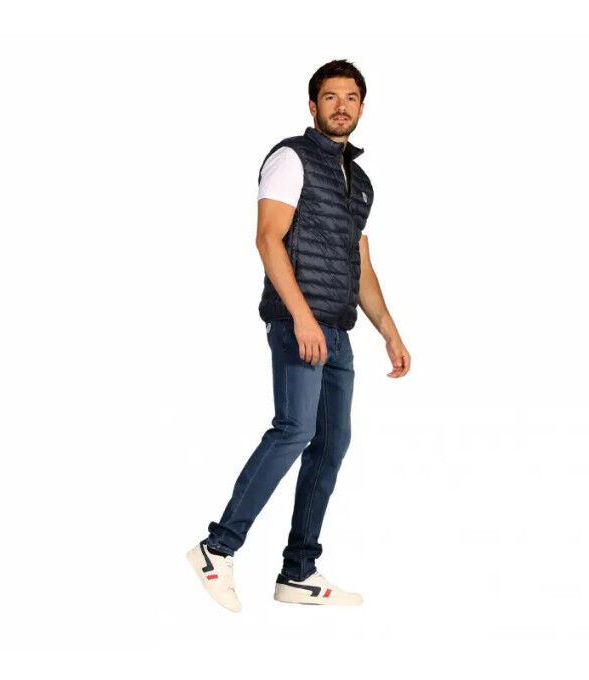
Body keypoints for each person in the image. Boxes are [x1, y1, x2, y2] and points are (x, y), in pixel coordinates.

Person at [187, 59, 411, 612]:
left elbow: (361, 264)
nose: (342, 106)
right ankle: (218, 548)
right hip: (298, 323)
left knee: (332, 444)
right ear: (313, 106)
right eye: (330, 97)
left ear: (362, 107)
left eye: (351, 98)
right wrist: (303, 317)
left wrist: (390, 331)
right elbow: (268, 238)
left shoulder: (359, 183)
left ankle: (298, 571)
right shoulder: (291, 158)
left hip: (338, 330)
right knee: (294, 429)